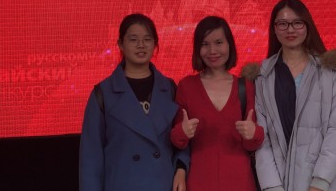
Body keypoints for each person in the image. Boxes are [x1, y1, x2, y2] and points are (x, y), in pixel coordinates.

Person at [252, 0, 336, 191]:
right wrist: (272, 187)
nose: (290, 30)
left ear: (307, 26)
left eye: (297, 23)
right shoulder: (263, 76)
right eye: (282, 24)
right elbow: (262, 138)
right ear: (274, 29)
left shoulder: (330, 73)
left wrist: (319, 183)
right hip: (281, 184)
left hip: (325, 185)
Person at [79, 14, 189, 191]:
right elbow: (91, 159)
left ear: (155, 44)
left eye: (147, 39)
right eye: (133, 39)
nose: (141, 45)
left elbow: (183, 139)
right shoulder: (103, 93)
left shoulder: (170, 88)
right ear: (120, 44)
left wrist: (181, 168)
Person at [171, 16, 264, 191]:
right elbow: (178, 141)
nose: (212, 50)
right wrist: (182, 132)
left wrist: (253, 133)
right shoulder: (186, 86)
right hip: (198, 183)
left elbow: (253, 144)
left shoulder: (245, 87)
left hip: (240, 182)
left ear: (229, 44)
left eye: (219, 42)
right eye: (205, 44)